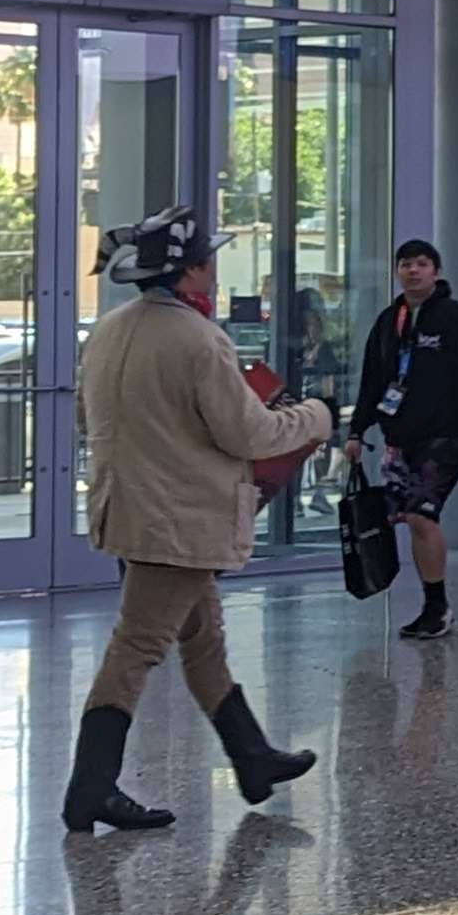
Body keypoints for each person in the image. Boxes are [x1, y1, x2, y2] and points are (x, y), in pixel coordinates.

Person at [62, 207, 332, 833]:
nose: (213, 268)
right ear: (193, 272)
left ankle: (253, 758)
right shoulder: (198, 338)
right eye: (208, 258)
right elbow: (251, 431)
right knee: (137, 645)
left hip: (127, 511)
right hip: (178, 525)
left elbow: (86, 419)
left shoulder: (107, 330)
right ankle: (90, 788)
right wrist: (316, 416)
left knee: (203, 636)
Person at [344, 237, 458, 641]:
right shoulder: (387, 321)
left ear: (437, 271)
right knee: (410, 520)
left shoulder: (456, 320)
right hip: (401, 436)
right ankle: (433, 605)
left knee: (420, 515)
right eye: (406, 264)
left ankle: (437, 606)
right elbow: (372, 380)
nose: (413, 271)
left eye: (422, 264)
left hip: (445, 436)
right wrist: (357, 430)